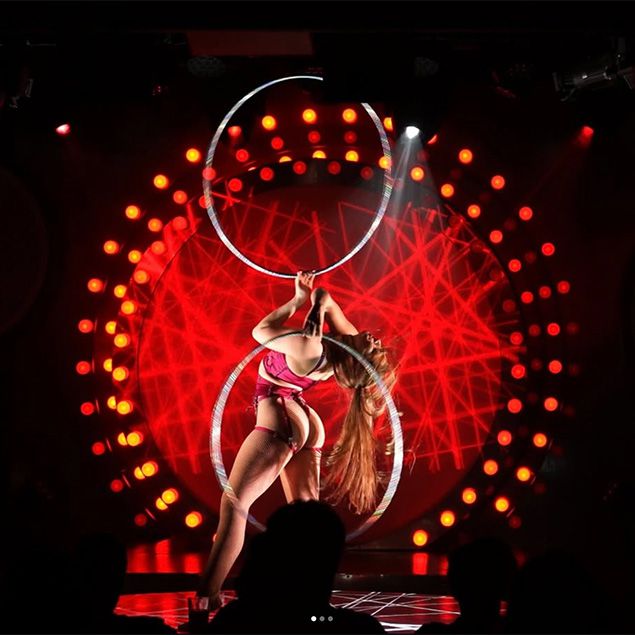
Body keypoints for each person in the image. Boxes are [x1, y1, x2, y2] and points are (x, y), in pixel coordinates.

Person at [197, 272, 397, 609]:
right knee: (306, 523)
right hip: (301, 417)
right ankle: (311, 598)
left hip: (282, 414)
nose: (375, 340)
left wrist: (297, 303)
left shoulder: (310, 347)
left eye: (373, 349)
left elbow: (260, 332)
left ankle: (207, 598)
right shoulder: (344, 341)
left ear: (356, 360)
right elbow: (326, 295)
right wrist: (313, 302)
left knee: (234, 505)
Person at [207, 500, 385, 633]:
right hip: (315, 611)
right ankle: (208, 595)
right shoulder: (361, 629)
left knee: (234, 501)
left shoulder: (233, 621)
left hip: (257, 612)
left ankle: (207, 597)